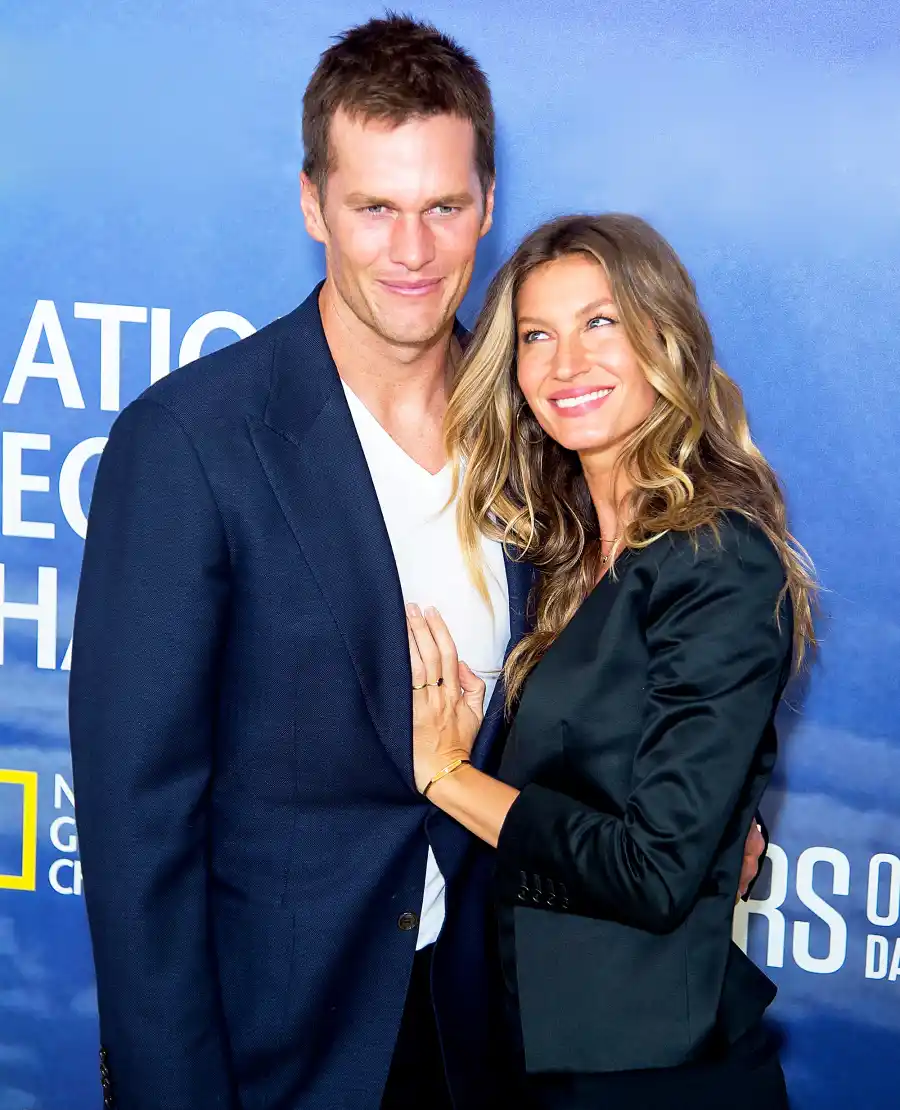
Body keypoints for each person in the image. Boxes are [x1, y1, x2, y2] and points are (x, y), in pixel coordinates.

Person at [67, 14, 766, 1110]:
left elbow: (667, 631)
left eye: (443, 207)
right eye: (375, 208)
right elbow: (135, 825)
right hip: (275, 1051)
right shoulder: (191, 444)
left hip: (489, 1037)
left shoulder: (542, 420)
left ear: (488, 204)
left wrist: (725, 797)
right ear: (313, 206)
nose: (412, 251)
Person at [405, 213, 816, 1109]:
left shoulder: (717, 560)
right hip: (529, 1049)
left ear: (662, 336)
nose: (564, 366)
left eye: (601, 324)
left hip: (648, 1074)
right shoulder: (561, 553)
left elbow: (654, 870)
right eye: (536, 337)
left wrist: (444, 774)